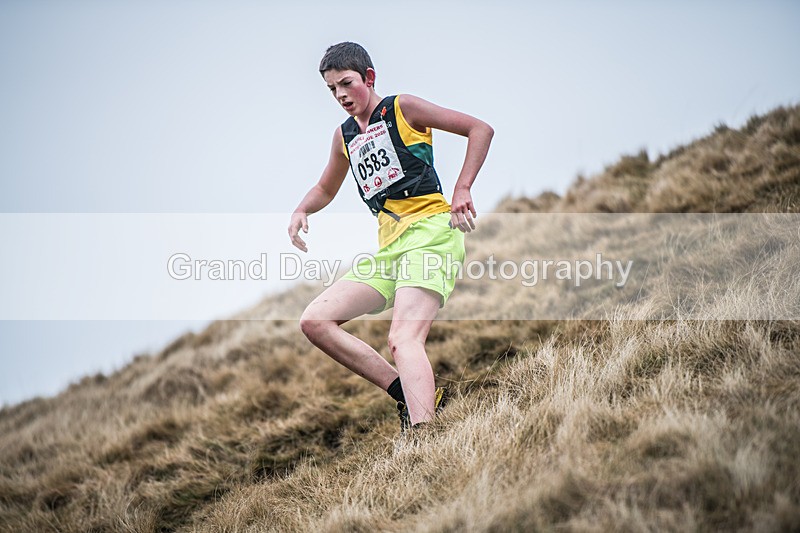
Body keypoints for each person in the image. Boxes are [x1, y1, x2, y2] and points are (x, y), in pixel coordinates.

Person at [288, 42, 493, 432]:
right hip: (390, 249)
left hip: (432, 234)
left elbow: (479, 129)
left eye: (346, 84)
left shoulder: (403, 108)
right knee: (315, 321)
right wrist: (301, 210)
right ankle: (405, 393)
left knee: (402, 339)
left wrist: (463, 188)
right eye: (332, 90)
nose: (341, 95)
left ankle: (424, 436)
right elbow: (325, 188)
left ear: (369, 77)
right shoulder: (344, 136)